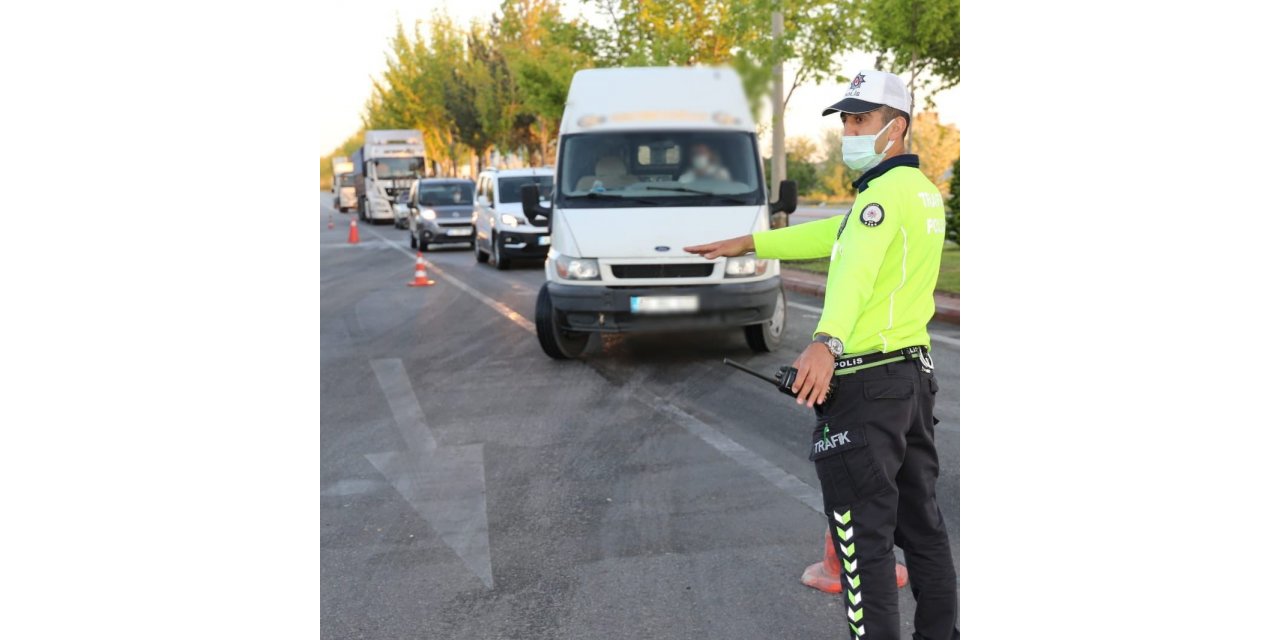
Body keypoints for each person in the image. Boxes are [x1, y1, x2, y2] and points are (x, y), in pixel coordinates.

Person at [684, 69, 958, 640]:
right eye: (846, 120)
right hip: (911, 383)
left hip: (865, 392)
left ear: (897, 127)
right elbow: (838, 235)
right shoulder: (919, 194)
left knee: (863, 548)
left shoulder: (880, 200)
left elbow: (854, 272)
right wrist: (752, 241)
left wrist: (825, 342)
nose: (849, 132)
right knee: (924, 530)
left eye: (861, 120)